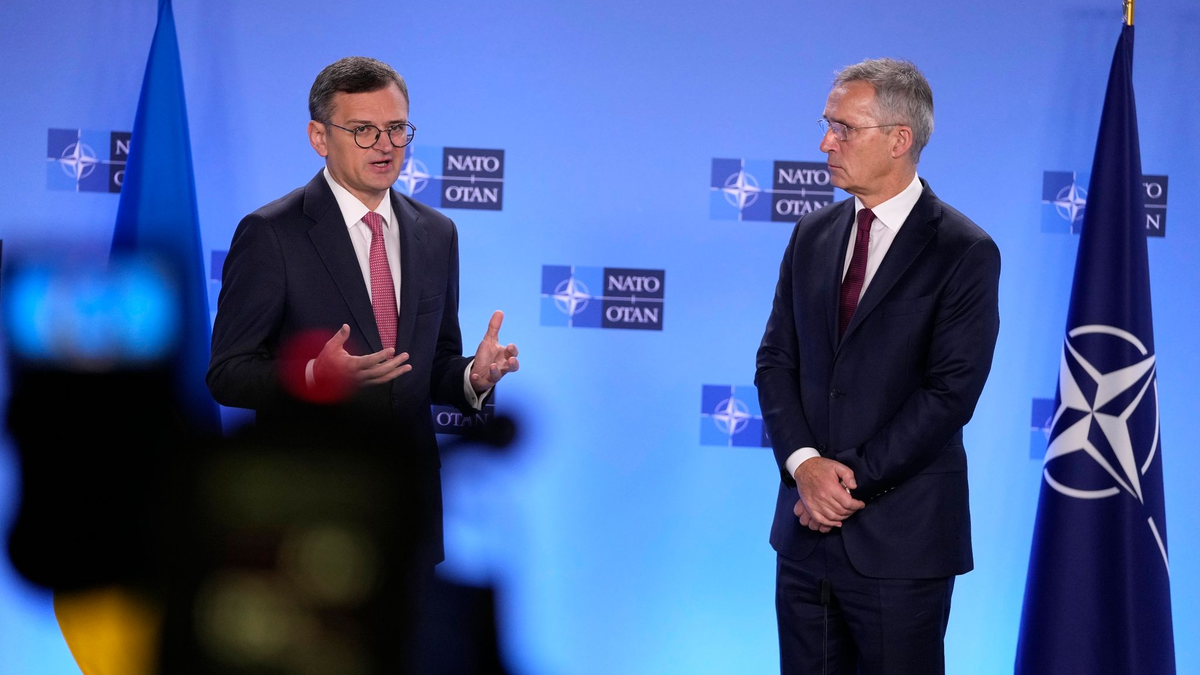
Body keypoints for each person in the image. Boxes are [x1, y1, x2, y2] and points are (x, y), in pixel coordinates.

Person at [208, 56, 519, 562]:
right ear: (319, 136)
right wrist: (312, 375)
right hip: (307, 511)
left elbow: (429, 363)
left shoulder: (437, 233)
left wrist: (473, 378)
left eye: (397, 129)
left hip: (407, 506)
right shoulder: (271, 234)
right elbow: (227, 373)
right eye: (364, 130)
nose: (386, 146)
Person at [755, 58, 1000, 675]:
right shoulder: (811, 234)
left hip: (902, 543)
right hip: (805, 538)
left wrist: (845, 484)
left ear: (900, 139)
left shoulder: (963, 251)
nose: (824, 142)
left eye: (843, 128)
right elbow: (776, 360)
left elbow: (949, 395)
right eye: (826, 124)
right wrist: (805, 467)